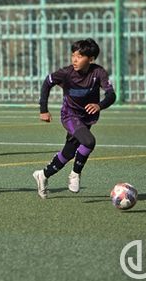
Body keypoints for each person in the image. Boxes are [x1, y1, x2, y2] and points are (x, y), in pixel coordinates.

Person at [32, 38, 116, 198]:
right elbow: (47, 82)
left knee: (69, 152)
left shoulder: (98, 73)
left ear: (91, 59)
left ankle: (42, 175)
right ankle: (75, 174)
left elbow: (111, 95)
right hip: (69, 116)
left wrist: (99, 105)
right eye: (73, 55)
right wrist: (43, 110)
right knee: (89, 142)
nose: (75, 60)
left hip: (86, 119)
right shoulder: (66, 73)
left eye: (79, 56)